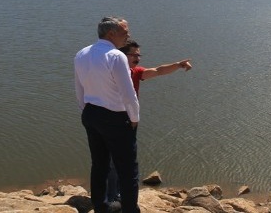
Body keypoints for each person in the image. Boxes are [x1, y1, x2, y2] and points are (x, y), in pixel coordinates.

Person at [106, 39, 192, 202]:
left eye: (139, 55)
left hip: (129, 120)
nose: (138, 58)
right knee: (111, 160)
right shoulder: (110, 72)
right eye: (134, 55)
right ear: (122, 55)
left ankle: (118, 193)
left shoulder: (136, 72)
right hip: (112, 119)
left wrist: (178, 65)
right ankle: (111, 196)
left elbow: (158, 71)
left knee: (125, 159)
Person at [74, 17, 140, 213]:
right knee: (128, 169)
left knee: (99, 164)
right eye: (125, 32)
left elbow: (78, 89)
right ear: (111, 34)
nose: (128, 36)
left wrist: (86, 111)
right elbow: (128, 93)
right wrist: (134, 118)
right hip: (115, 117)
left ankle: (102, 208)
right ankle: (130, 210)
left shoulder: (81, 53)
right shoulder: (116, 55)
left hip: (91, 113)